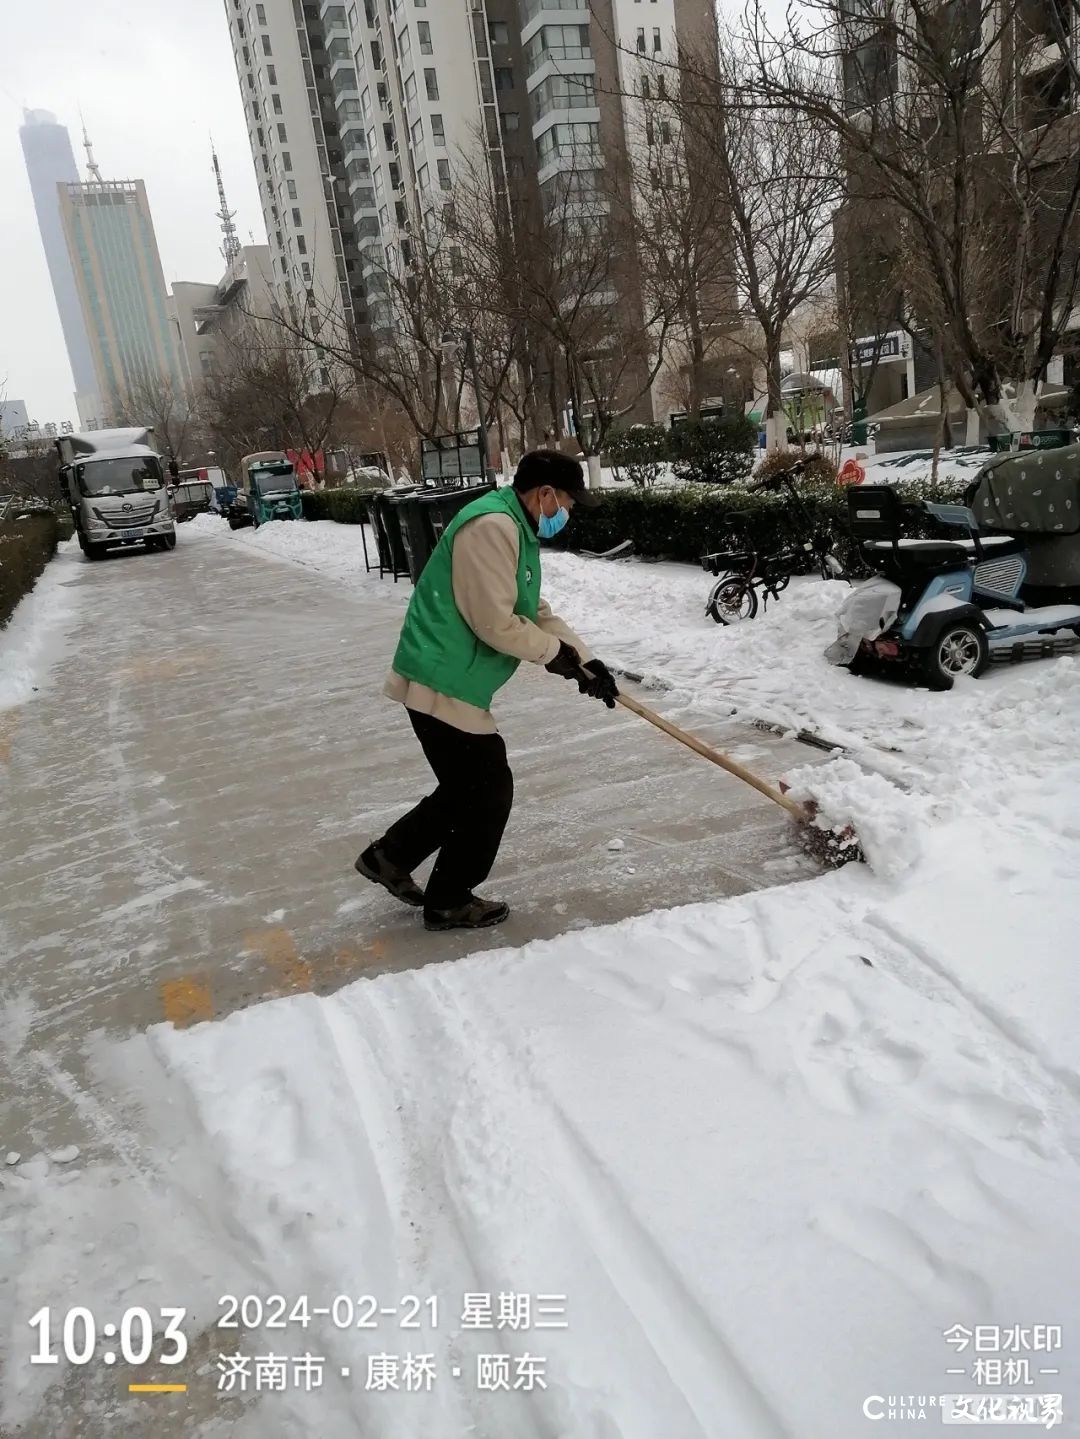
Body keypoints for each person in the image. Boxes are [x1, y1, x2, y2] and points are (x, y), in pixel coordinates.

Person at [356, 449, 619, 932]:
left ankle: (389, 858)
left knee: (466, 788)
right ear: (544, 494)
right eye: (567, 500)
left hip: (455, 676)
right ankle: (449, 900)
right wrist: (554, 657)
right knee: (487, 790)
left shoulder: (514, 527)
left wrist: (585, 662)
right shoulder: (492, 528)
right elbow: (494, 623)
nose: (569, 510)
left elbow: (532, 609)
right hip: (442, 675)